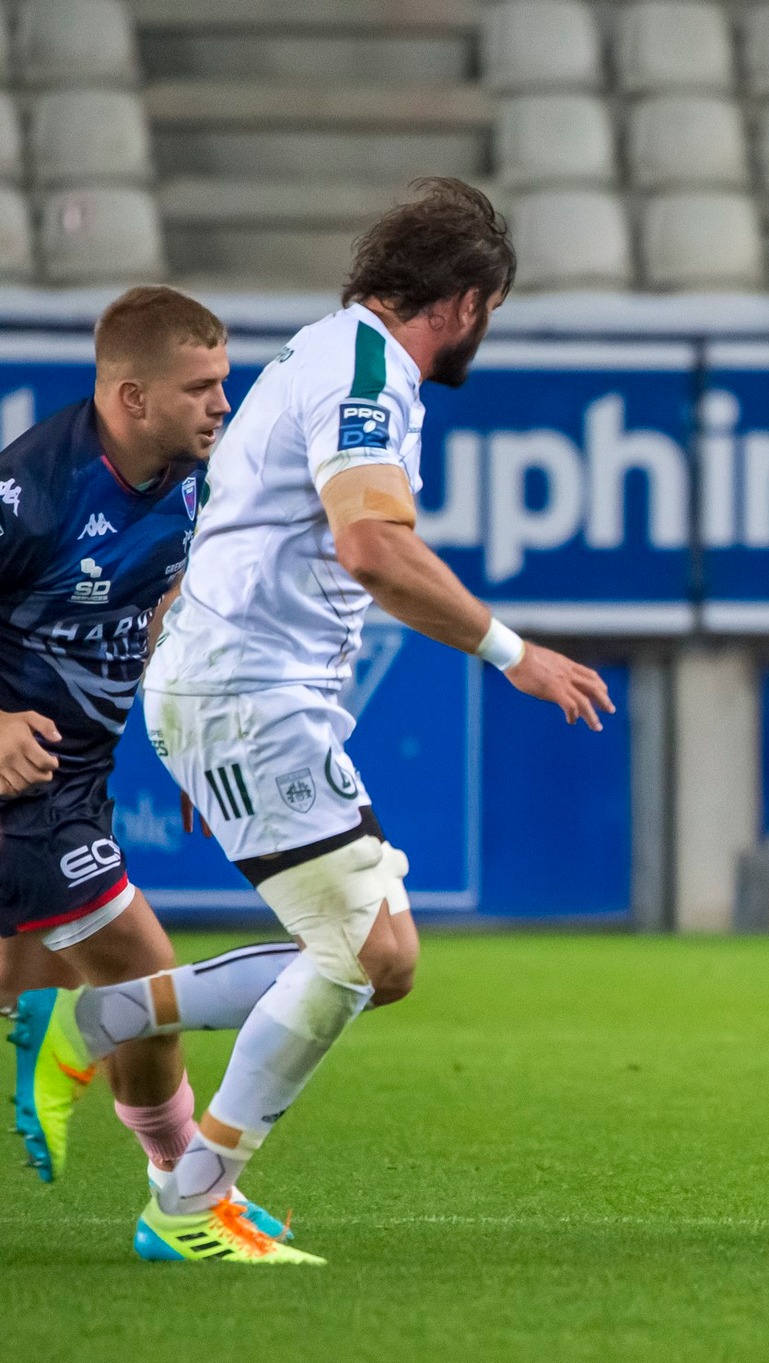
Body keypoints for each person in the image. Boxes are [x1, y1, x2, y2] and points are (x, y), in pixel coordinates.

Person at [120, 178, 612, 1266]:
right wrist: (514, 654)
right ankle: (190, 1202)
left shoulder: (313, 351)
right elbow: (372, 546)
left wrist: (199, 724)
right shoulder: (366, 374)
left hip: (236, 690)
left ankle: (105, 1025)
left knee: (373, 954)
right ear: (471, 301)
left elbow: (230, 535)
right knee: (360, 948)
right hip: (247, 691)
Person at [0, 288, 291, 1245]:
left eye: (227, 383)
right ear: (131, 397)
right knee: (145, 982)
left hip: (81, 779)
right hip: (27, 784)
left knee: (26, 980)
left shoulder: (197, 485)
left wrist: (190, 732)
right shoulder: (33, 491)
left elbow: (169, 602)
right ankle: (185, 1192)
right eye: (201, 386)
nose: (223, 404)